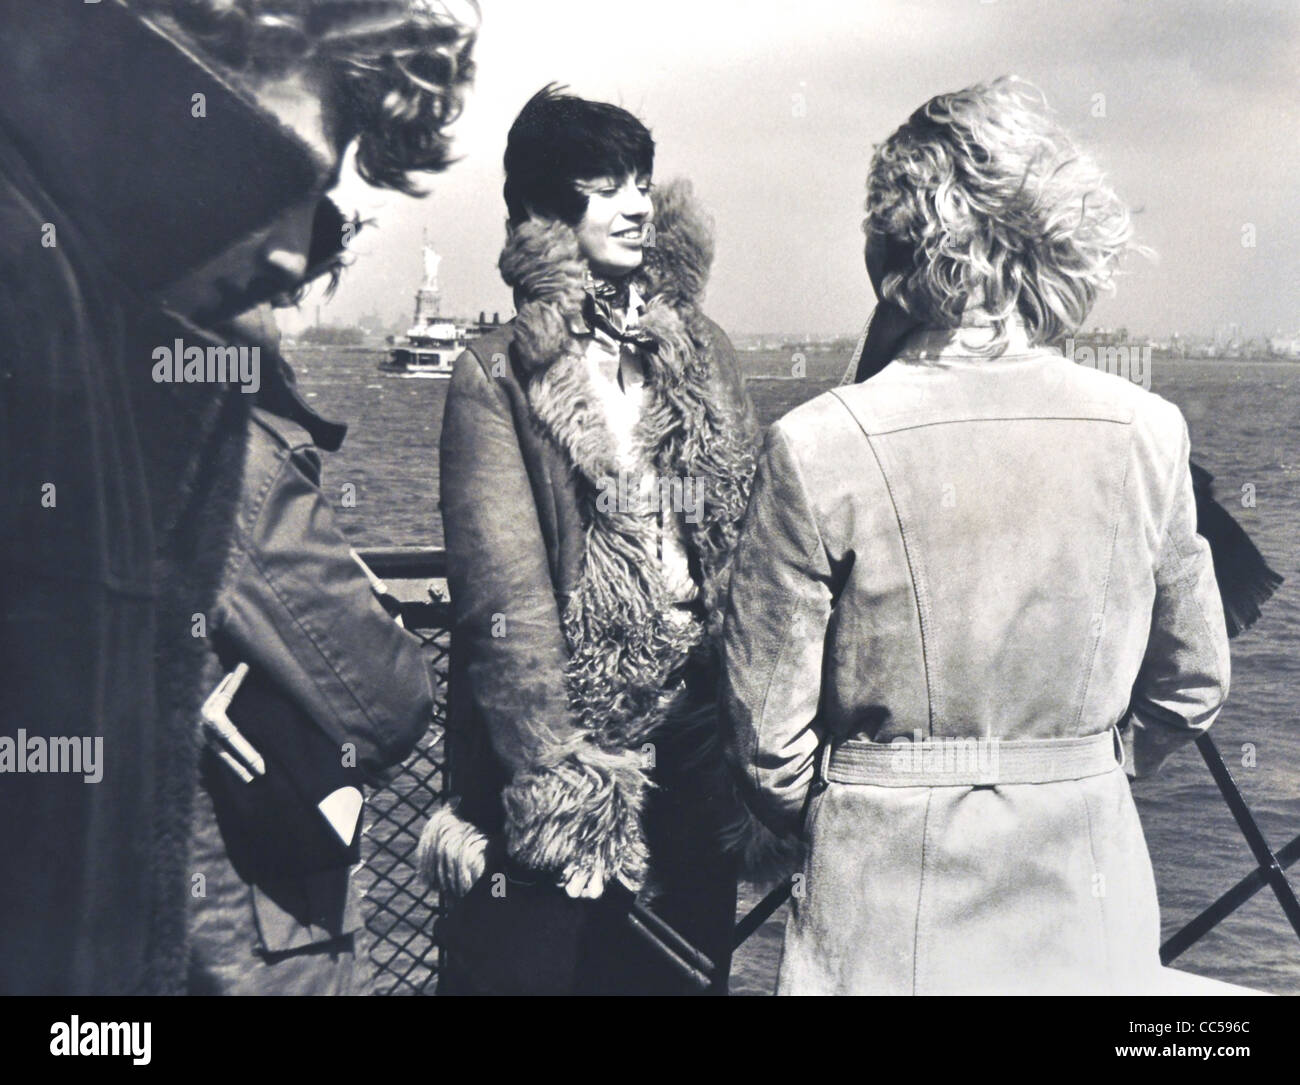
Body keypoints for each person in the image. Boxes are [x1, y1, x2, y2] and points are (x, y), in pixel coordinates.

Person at [0, 0, 475, 995]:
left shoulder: (136, 382)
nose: (298, 254)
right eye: (279, 174)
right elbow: (384, 693)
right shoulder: (60, 344)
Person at [722, 77, 1233, 994]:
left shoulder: (815, 446)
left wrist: (865, 802)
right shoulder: (1148, 432)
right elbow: (1195, 680)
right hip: (1085, 888)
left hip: (881, 908)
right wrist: (1085, 768)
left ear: (891, 247)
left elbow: (770, 742)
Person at [419, 85, 783, 994]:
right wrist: (563, 786)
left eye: (643, 182)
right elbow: (504, 601)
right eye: (605, 184)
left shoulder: (705, 352)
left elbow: (747, 547)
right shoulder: (497, 371)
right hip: (559, 774)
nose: (635, 205)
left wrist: (758, 737)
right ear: (546, 208)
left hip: (692, 756)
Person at [184, 309, 434, 995]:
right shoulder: (229, 457)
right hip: (248, 928)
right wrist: (381, 611)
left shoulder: (58, 426)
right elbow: (389, 701)